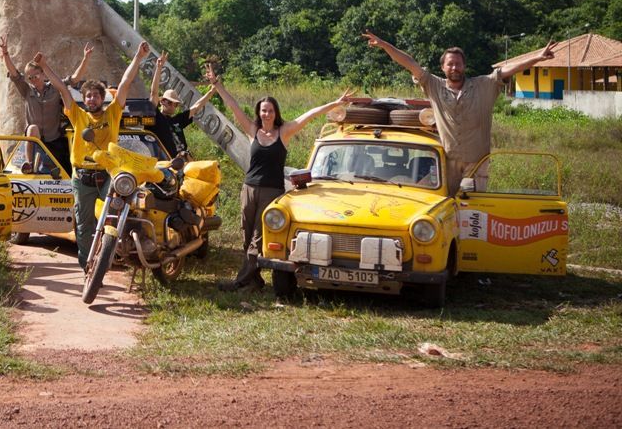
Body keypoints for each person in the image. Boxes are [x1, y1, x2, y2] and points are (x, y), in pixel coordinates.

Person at [205, 64, 353, 291]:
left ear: (276, 113)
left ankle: (239, 282)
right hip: (249, 188)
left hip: (271, 191)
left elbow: (310, 114)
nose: (267, 114)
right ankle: (254, 281)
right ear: (259, 112)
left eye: (270, 111)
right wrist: (217, 85)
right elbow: (233, 107)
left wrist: (335, 103)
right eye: (263, 110)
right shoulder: (253, 129)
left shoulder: (284, 132)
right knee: (246, 236)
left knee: (257, 238)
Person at [362, 30, 555, 192]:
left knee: (472, 210)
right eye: (450, 64)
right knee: (445, 206)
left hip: (477, 163)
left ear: (464, 66)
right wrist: (384, 44)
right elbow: (409, 63)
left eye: (458, 64)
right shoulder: (434, 86)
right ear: (443, 67)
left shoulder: (484, 85)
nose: (454, 67)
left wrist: (537, 58)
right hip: (446, 162)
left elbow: (507, 70)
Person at [35, 41, 151, 269]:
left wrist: (138, 58)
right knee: (83, 225)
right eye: (88, 96)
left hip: (108, 174)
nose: (91, 100)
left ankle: (119, 252)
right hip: (82, 178)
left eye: (96, 96)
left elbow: (126, 82)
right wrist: (45, 66)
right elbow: (61, 87)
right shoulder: (77, 115)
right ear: (84, 100)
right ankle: (88, 265)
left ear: (102, 98)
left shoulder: (113, 113)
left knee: (120, 214)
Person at [0, 36, 94, 175]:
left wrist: (85, 58)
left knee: (64, 173)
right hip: (35, 141)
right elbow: (15, 74)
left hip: (53, 140)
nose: (32, 80)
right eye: (29, 77)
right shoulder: (27, 90)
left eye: (35, 76)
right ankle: (29, 164)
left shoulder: (55, 87)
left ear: (43, 74)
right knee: (32, 128)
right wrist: (5, 53)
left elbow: (74, 79)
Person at [147, 51, 217, 158]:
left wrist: (211, 92)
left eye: (175, 104)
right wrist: (159, 68)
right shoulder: (155, 117)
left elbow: (196, 106)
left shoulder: (177, 120)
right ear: (162, 101)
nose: (172, 106)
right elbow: (154, 93)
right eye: (169, 102)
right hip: (167, 164)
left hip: (185, 161)